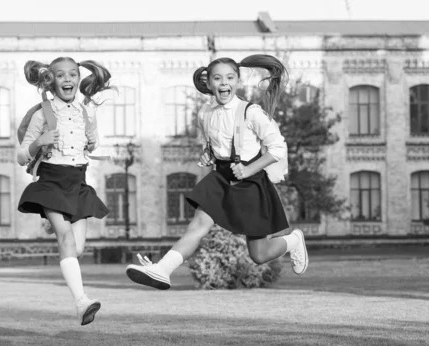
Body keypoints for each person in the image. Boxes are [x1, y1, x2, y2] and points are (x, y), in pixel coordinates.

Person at [126, 54, 308, 290]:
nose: (224, 83)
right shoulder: (205, 113)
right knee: (198, 225)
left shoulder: (251, 112)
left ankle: (294, 240)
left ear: (237, 81)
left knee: (259, 255)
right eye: (218, 78)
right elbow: (211, 147)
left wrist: (248, 169)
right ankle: (162, 270)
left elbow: (278, 148)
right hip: (221, 178)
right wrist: (208, 155)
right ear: (209, 83)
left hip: (251, 182)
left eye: (230, 77)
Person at [17, 57, 112, 324]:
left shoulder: (85, 111)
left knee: (77, 249)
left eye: (72, 74)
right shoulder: (42, 114)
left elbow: (91, 144)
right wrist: (39, 142)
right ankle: (82, 302)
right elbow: (21, 155)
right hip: (51, 181)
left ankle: (51, 224)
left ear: (78, 80)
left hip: (78, 182)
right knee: (67, 241)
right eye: (61, 75)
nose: (67, 79)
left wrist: (93, 141)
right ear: (51, 80)